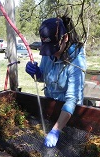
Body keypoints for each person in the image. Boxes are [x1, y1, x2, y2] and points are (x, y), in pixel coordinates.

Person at [25, 16, 86, 148]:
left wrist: (56, 130)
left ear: (65, 38)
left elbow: (72, 100)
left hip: (69, 117)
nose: (52, 54)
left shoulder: (76, 62)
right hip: (51, 108)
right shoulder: (49, 54)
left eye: (54, 49)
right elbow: (44, 77)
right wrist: (37, 73)